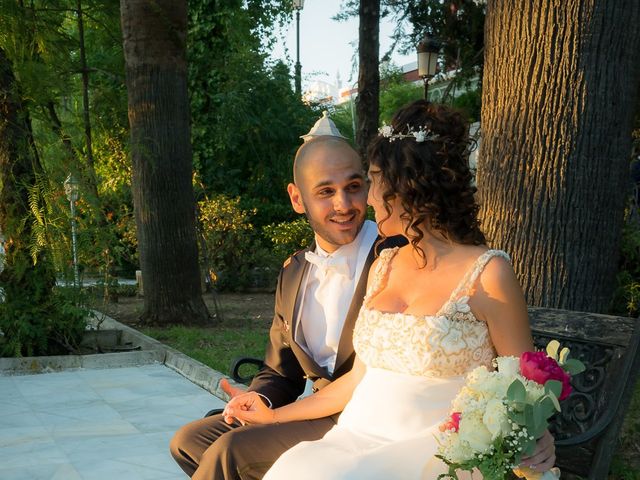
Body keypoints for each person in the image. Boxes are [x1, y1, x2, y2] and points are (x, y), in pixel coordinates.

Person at [223, 100, 557, 479]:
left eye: (373, 180)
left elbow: (524, 381)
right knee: (295, 468)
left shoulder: (487, 272)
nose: (366, 198)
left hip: (434, 450)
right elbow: (358, 379)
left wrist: (535, 435)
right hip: (354, 436)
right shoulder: (385, 266)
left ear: (408, 189)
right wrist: (274, 416)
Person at [170, 116, 404, 479]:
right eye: (325, 192)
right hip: (313, 411)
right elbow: (280, 371)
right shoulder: (294, 270)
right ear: (297, 198)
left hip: (366, 417)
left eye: (354, 187)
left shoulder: (395, 254)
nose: (344, 204)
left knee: (231, 453)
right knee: (190, 440)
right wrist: (259, 399)